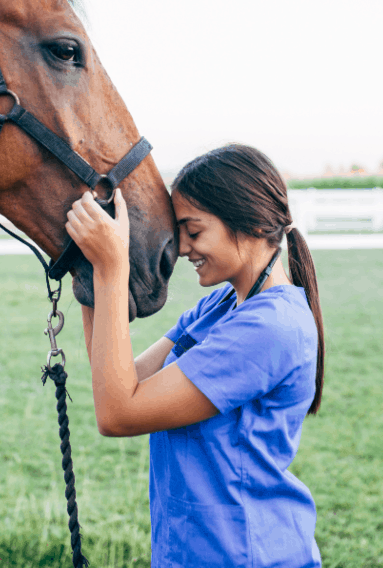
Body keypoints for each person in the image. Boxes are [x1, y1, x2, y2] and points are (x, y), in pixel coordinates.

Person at [66, 143, 324, 568]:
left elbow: (118, 414)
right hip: (191, 552)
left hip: (244, 555)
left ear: (253, 224)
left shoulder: (271, 329)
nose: (183, 247)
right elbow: (117, 378)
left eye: (194, 230)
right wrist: (90, 270)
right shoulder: (221, 305)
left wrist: (113, 269)